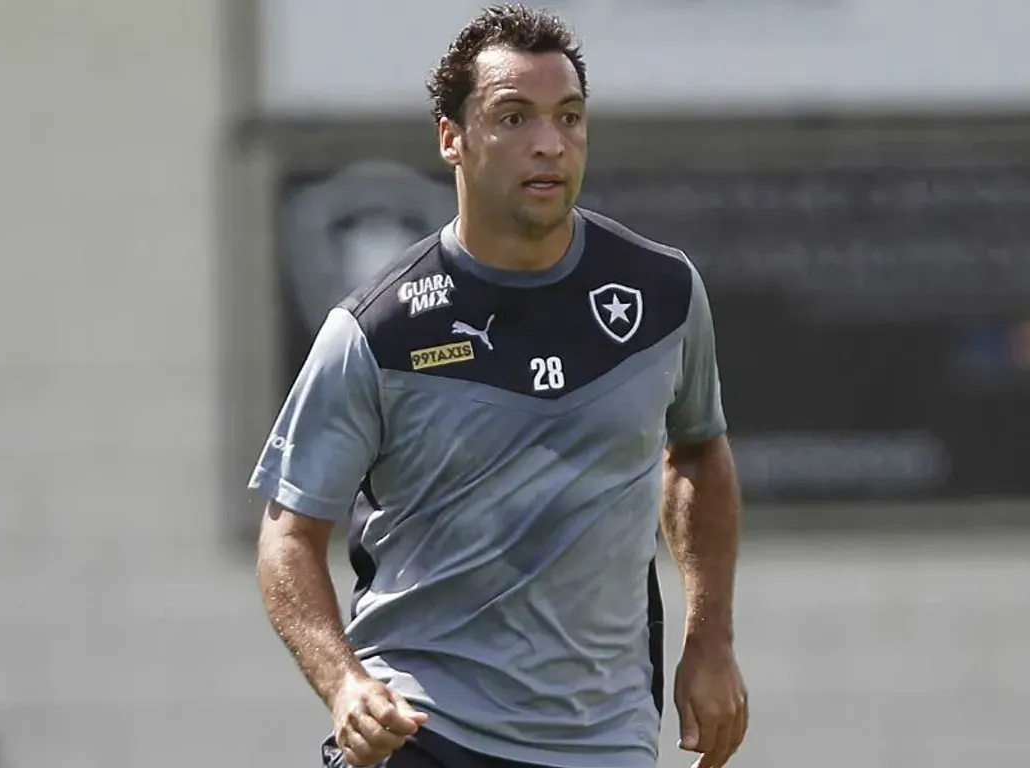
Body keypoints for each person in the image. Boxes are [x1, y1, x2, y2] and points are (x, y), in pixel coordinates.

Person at [249, 5, 748, 767]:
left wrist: (709, 642)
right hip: (424, 727)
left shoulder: (664, 292)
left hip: (602, 741)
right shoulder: (375, 330)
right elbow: (288, 536)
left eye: (568, 116)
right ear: (451, 138)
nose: (549, 143)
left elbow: (700, 456)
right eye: (514, 118)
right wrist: (344, 684)